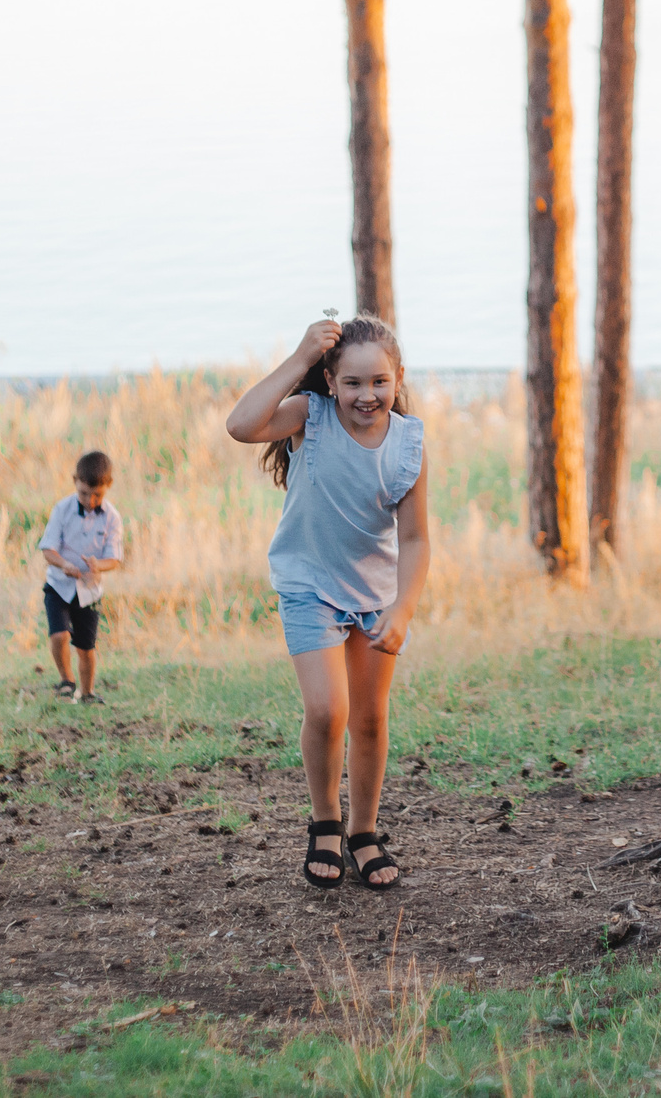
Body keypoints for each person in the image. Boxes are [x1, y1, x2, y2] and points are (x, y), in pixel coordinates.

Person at [225, 315, 429, 891]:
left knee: (369, 718)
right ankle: (325, 822)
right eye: (354, 384)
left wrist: (404, 607)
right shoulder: (309, 419)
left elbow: (415, 539)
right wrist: (297, 358)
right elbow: (241, 425)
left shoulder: (409, 442)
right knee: (327, 711)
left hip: (375, 598)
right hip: (308, 586)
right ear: (332, 383)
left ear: (397, 379)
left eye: (380, 383)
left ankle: (364, 832)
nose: (368, 396)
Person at [40, 450, 125, 704]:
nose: (90, 500)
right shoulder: (62, 509)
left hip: (89, 592)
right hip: (59, 585)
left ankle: (87, 693)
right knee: (59, 635)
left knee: (86, 648)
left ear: (108, 486)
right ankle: (67, 681)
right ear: (75, 481)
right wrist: (64, 564)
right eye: (84, 493)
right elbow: (48, 549)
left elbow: (115, 558)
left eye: (97, 494)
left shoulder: (112, 518)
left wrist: (98, 565)